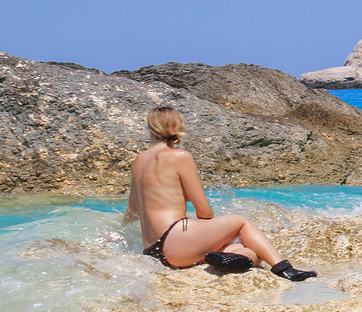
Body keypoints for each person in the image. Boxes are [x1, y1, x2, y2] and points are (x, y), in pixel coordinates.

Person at [124, 107, 317, 281]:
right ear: (178, 128)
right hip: (175, 241)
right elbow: (204, 212)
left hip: (153, 250)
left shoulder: (139, 160)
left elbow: (132, 209)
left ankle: (237, 258)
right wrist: (211, 229)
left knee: (251, 251)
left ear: (150, 130)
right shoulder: (180, 156)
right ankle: (284, 269)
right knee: (241, 222)